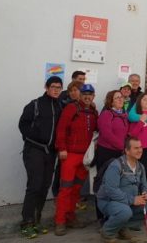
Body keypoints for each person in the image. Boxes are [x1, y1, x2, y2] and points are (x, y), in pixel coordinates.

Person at [18, 76, 63, 239]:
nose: (56, 90)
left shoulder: (60, 106)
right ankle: (26, 223)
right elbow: (22, 125)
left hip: (50, 153)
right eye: (53, 87)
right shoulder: (35, 104)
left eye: (59, 87)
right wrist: (38, 138)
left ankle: (36, 221)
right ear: (46, 87)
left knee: (44, 186)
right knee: (34, 186)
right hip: (34, 150)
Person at [54, 83, 98, 236]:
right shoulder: (71, 108)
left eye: (90, 94)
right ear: (80, 95)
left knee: (77, 189)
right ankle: (60, 221)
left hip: (85, 158)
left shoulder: (93, 111)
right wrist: (62, 148)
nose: (87, 96)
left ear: (93, 96)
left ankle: (70, 217)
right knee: (65, 188)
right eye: (84, 93)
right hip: (70, 155)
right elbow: (61, 129)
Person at [96, 137, 147, 243]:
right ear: (127, 151)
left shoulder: (140, 167)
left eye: (141, 147)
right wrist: (133, 200)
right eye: (136, 148)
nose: (140, 150)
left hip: (128, 202)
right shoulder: (116, 166)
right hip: (109, 201)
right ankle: (107, 233)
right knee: (124, 212)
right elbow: (111, 190)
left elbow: (145, 185)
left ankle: (121, 227)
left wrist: (145, 193)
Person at [52, 81, 83, 198]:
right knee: (64, 180)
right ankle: (59, 201)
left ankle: (71, 205)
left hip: (80, 151)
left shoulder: (87, 107)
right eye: (71, 91)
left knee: (76, 182)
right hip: (67, 150)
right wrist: (62, 148)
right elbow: (61, 129)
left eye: (76, 90)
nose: (73, 93)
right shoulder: (67, 106)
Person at [96, 90, 129, 170]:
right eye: (117, 98)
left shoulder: (124, 115)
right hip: (107, 152)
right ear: (111, 102)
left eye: (121, 97)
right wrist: (121, 147)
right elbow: (106, 134)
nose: (120, 99)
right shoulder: (107, 114)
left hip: (120, 153)